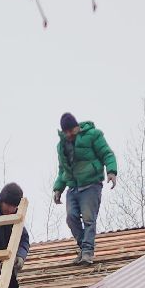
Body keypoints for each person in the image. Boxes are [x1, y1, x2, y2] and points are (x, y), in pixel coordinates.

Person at [52, 112, 117, 266]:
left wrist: (111, 171)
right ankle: (83, 247)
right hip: (73, 187)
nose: (69, 134)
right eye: (66, 132)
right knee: (71, 217)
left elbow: (107, 153)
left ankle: (88, 252)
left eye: (72, 130)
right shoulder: (61, 146)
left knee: (89, 219)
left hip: (91, 184)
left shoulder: (93, 135)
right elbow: (63, 169)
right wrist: (58, 188)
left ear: (77, 127)